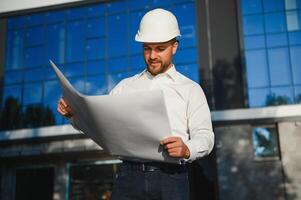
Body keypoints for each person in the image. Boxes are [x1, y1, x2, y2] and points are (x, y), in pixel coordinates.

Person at [58, 8, 214, 200]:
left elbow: (206, 136)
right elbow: (100, 125)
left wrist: (187, 149)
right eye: (147, 48)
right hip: (128, 178)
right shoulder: (124, 87)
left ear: (174, 47)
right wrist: (74, 116)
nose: (152, 56)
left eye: (160, 49)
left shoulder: (190, 89)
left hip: (171, 179)